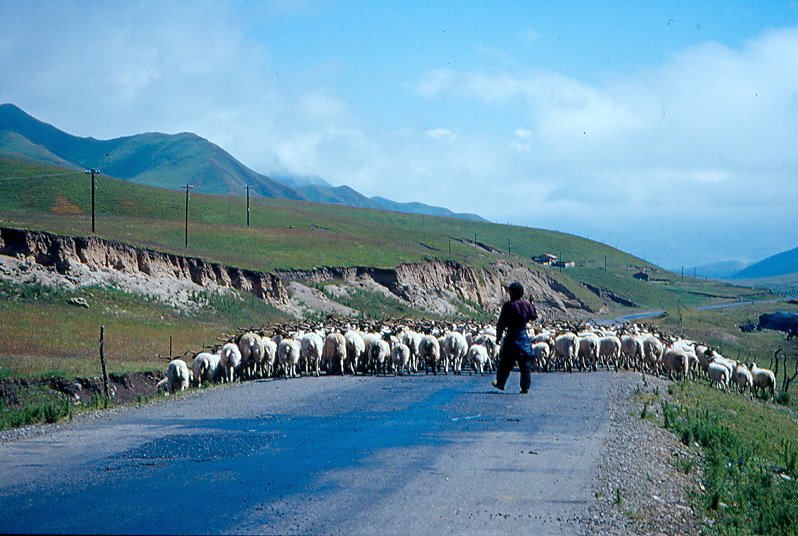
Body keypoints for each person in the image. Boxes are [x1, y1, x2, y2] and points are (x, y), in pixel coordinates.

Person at [492, 281, 537, 394]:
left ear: (513, 293)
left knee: (505, 362)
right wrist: (531, 303)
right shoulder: (526, 304)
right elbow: (533, 316)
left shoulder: (508, 305)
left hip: (511, 336)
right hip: (523, 336)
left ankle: (500, 383)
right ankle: (525, 387)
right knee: (525, 364)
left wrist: (498, 337)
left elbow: (501, 323)